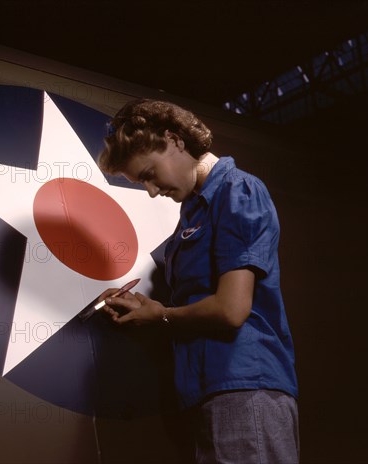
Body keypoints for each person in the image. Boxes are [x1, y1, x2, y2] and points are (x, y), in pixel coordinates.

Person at [97, 99, 299, 463]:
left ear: (174, 140)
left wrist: (160, 315)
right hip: (209, 391)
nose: (153, 191)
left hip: (244, 385)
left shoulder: (238, 191)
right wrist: (147, 307)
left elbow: (232, 309)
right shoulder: (193, 211)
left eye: (148, 174)